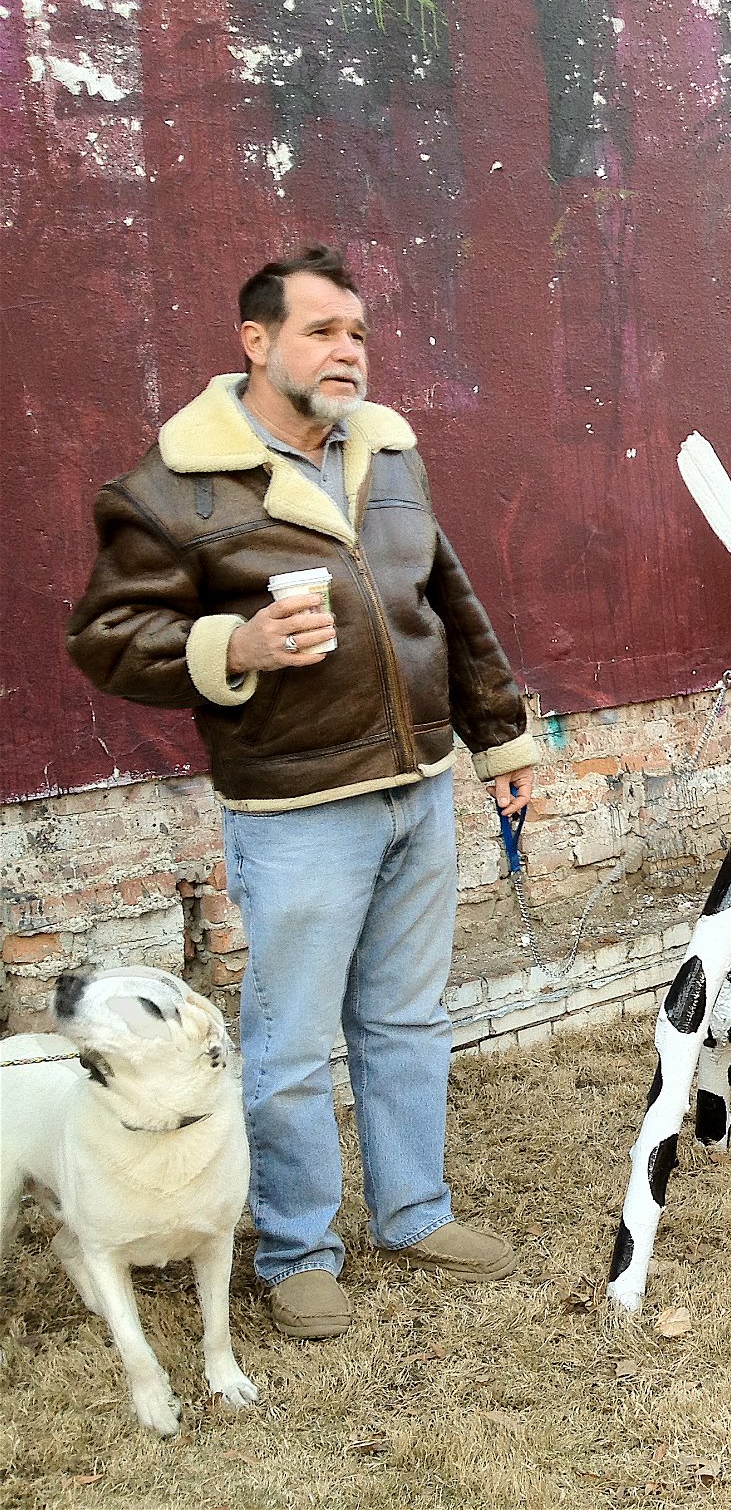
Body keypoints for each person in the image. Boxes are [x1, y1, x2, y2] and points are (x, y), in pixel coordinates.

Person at [67, 246, 544, 1340]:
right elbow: (105, 636)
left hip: (418, 790)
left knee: (409, 1020)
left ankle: (415, 1212)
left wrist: (500, 752)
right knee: (289, 1045)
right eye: (323, 331)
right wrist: (231, 640)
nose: (348, 352)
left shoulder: (388, 453)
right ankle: (295, 1250)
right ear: (256, 342)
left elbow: (446, 603)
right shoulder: (171, 483)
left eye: (359, 334)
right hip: (296, 807)